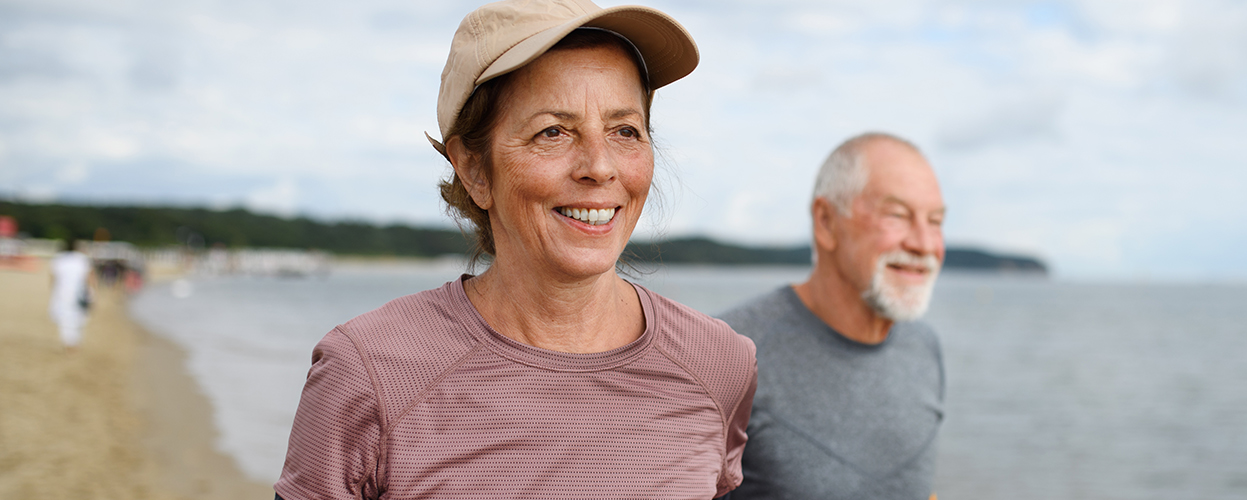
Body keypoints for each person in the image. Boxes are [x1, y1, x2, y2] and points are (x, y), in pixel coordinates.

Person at [273, 1, 757, 498]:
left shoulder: (720, 363)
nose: (599, 166)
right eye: (553, 131)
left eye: (624, 131)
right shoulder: (367, 372)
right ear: (475, 170)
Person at [717, 133, 946, 500]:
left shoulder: (925, 347)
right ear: (826, 221)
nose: (924, 243)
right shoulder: (727, 352)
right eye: (897, 215)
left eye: (935, 221)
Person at [49, 238, 93, 350]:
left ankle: (68, 342)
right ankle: (74, 342)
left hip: (62, 292)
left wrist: (54, 290)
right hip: (80, 292)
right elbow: (89, 277)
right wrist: (92, 292)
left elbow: (53, 278)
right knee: (78, 318)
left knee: (65, 318)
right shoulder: (82, 259)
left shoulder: (58, 259)